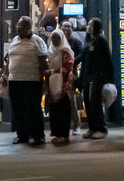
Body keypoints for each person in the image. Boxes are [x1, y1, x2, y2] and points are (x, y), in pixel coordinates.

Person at [6, 16, 49, 146]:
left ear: (28, 27)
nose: (18, 27)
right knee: (18, 109)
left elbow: (43, 62)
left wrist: (44, 80)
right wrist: (5, 74)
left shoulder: (37, 41)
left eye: (21, 25)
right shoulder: (14, 40)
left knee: (33, 109)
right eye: (17, 25)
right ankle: (22, 135)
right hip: (15, 80)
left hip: (31, 80)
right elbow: (9, 58)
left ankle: (38, 136)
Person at [78, 18, 115, 139]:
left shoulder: (101, 41)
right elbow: (83, 57)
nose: (88, 27)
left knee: (95, 102)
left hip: (98, 76)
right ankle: (92, 127)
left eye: (90, 25)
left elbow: (108, 60)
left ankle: (101, 128)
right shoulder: (89, 41)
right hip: (88, 77)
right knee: (87, 103)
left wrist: (109, 78)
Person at [45, 28, 77, 145]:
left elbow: (68, 69)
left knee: (63, 110)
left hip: (63, 86)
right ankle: (57, 133)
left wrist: (52, 71)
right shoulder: (50, 51)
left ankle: (63, 135)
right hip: (53, 87)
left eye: (58, 38)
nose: (55, 40)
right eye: (53, 37)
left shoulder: (66, 52)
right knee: (55, 110)